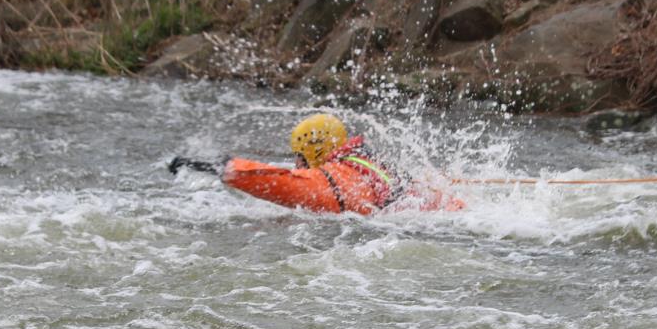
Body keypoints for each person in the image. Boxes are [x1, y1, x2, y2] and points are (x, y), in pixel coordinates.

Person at [169, 112, 461, 214]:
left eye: (300, 156)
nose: (296, 163)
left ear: (315, 150)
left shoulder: (334, 180)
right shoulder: (363, 161)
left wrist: (219, 168)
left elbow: (283, 183)